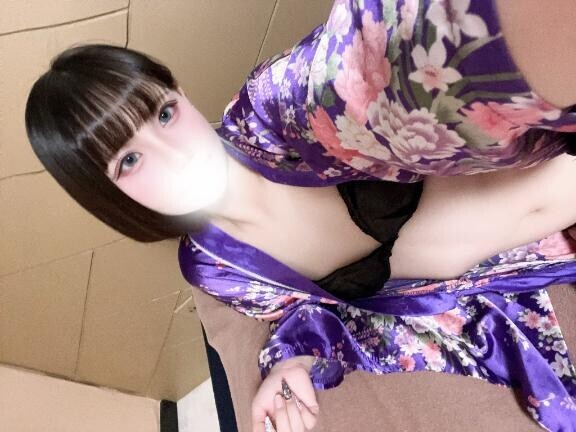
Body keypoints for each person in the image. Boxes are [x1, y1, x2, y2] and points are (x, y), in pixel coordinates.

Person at [24, 0, 576, 430]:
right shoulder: (215, 266)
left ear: (181, 93)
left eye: (164, 114)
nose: (176, 154)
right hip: (502, 251)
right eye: (129, 160)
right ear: (112, 196)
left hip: (526, 168)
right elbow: (304, 316)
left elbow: (370, 59)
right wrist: (291, 364)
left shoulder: (274, 109)